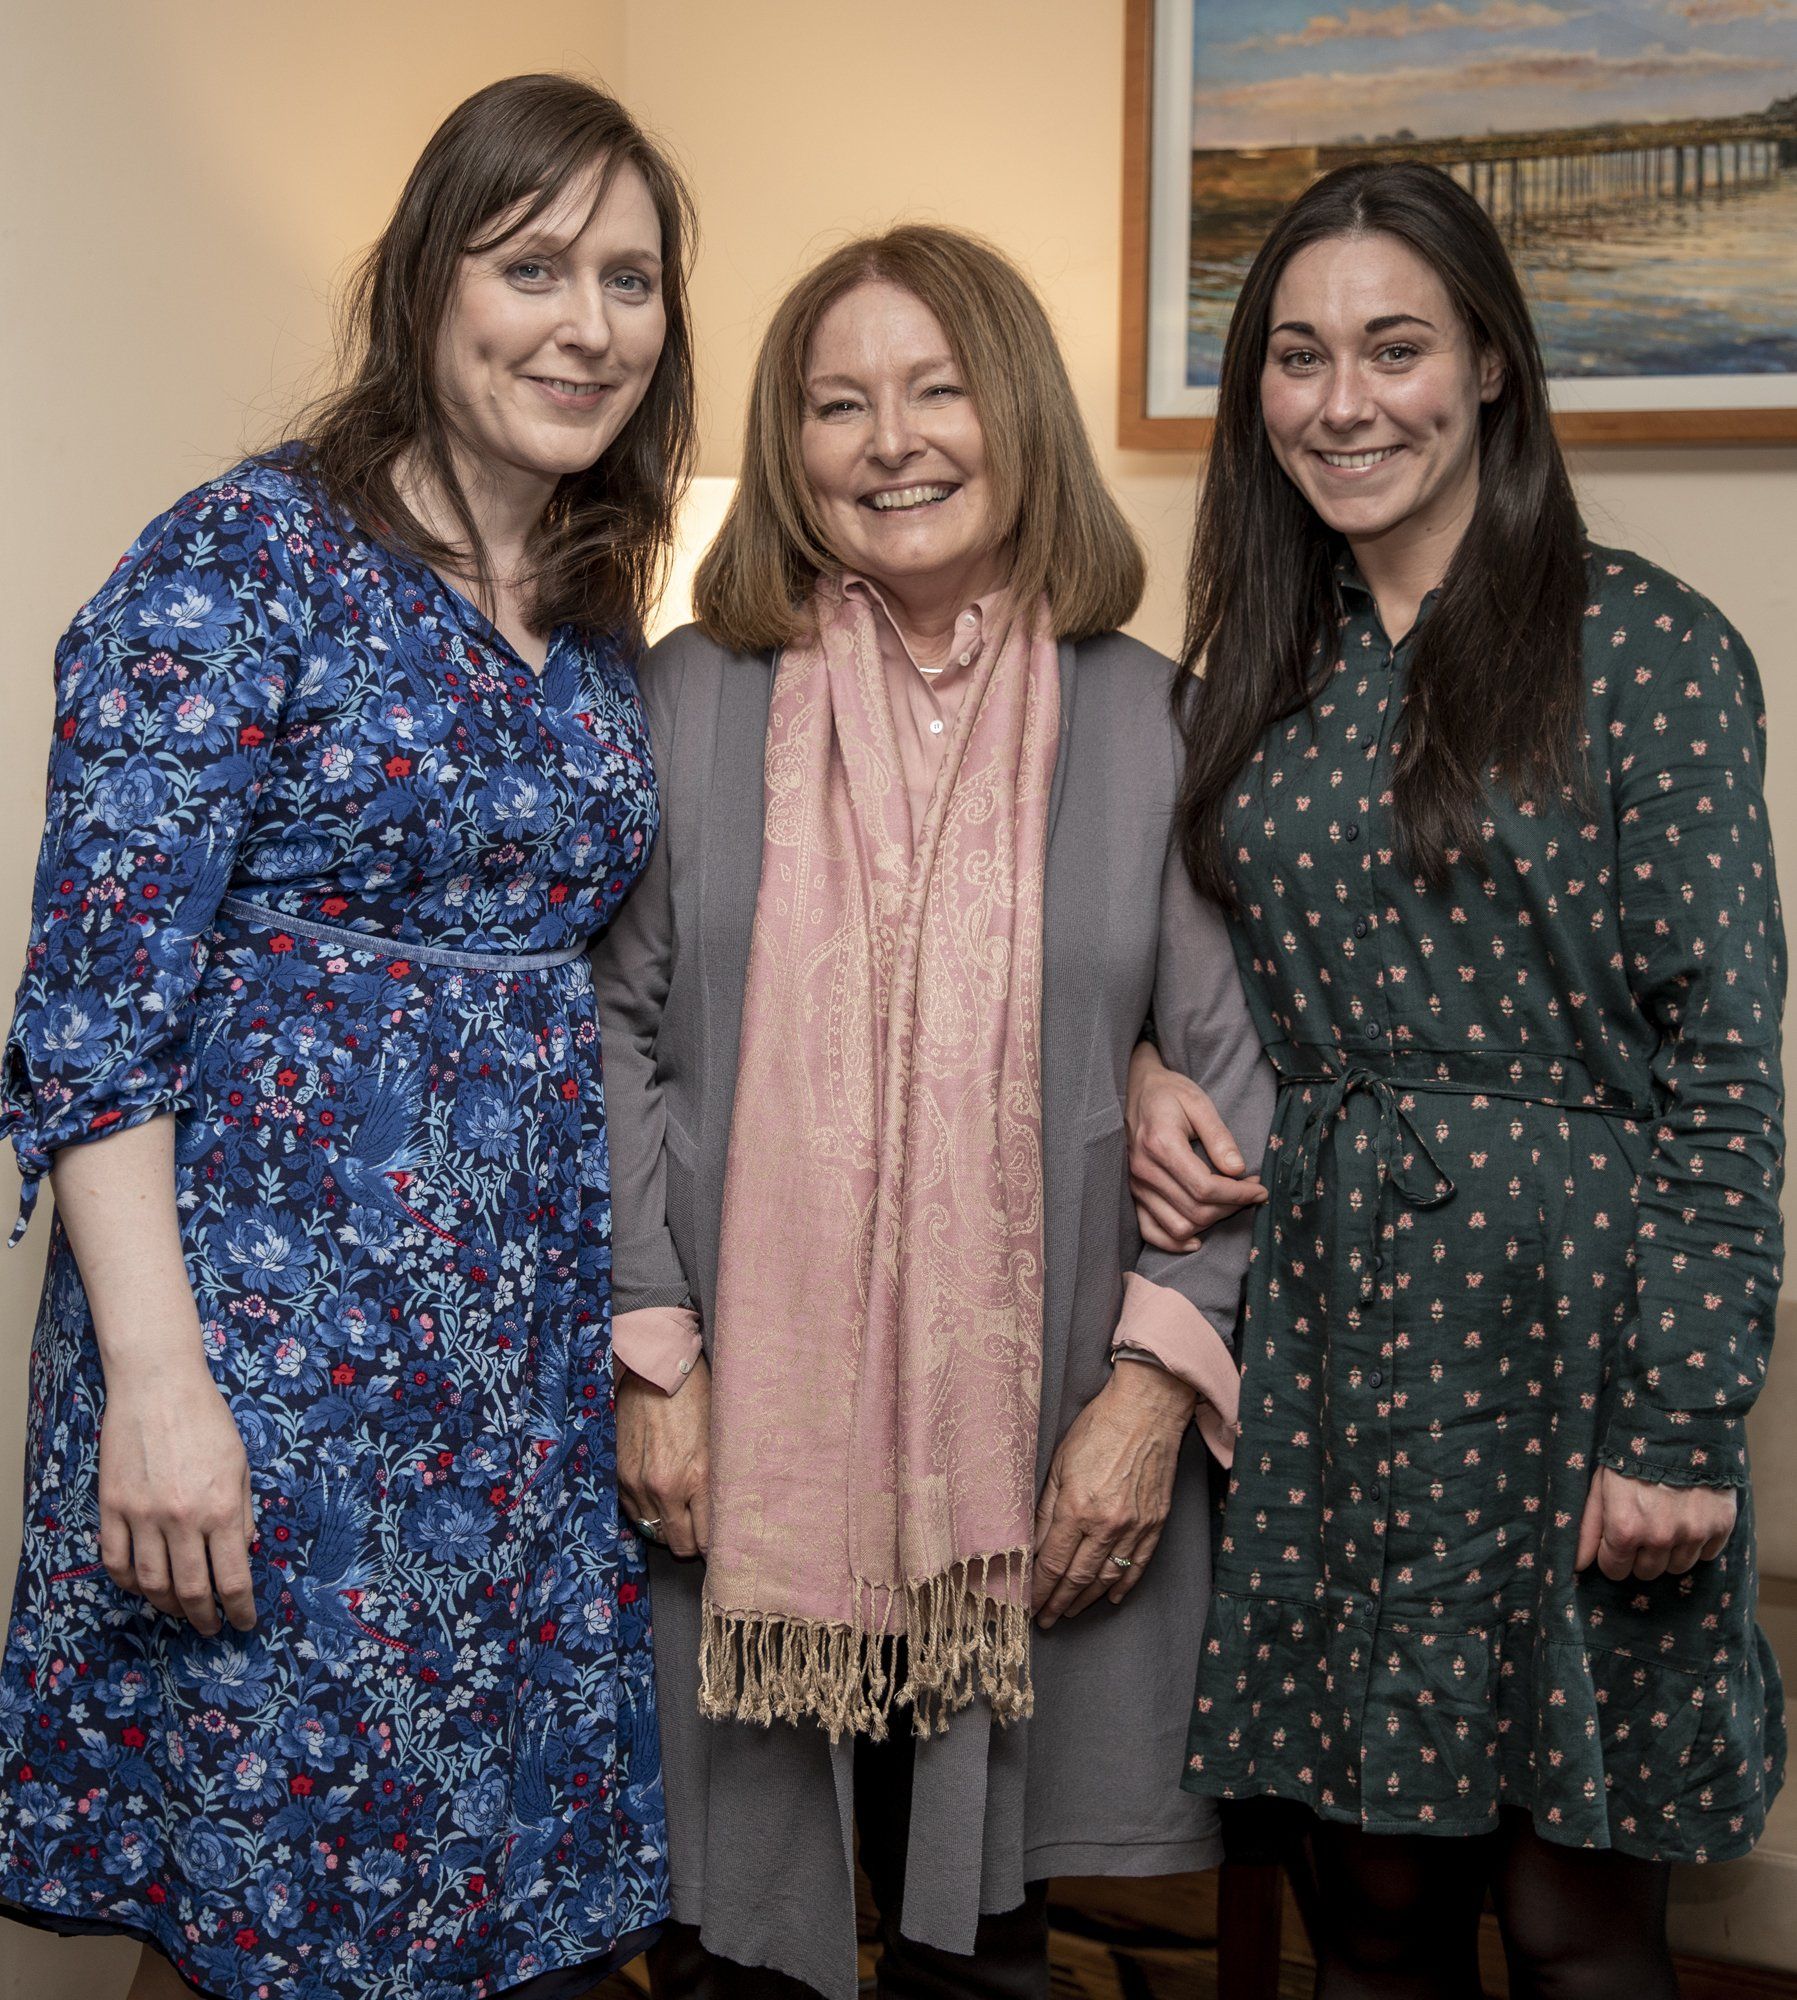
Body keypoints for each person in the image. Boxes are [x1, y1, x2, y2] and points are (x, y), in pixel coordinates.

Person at [0, 73, 694, 2000]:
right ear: (422, 283)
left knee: (439, 1910)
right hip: (265, 1370)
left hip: (505, 1382)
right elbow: (93, 1016)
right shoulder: (240, 561)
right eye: (532, 266)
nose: (587, 325)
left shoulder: (592, 605)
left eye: (630, 280)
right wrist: (159, 1390)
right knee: (260, 1902)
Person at [590, 224, 1275, 1999]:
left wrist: (1147, 1400)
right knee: (729, 1946)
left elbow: (1233, 1083)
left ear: (1017, 414)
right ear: (789, 444)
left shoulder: (1153, 719)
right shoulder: (687, 696)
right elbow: (608, 1030)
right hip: (742, 1435)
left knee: (984, 1953)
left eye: (936, 390)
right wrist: (651, 1357)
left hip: (1030, 1447)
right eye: (837, 404)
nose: (889, 440)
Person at [1127, 161, 1784, 1998]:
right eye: (1297, 356)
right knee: (1369, 1912)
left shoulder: (1643, 645)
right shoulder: (1258, 666)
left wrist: (1678, 1424)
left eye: (1393, 347)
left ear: (1490, 362)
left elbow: (1725, 1064)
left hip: (1575, 1335)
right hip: (1335, 1344)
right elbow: (1164, 949)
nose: (1342, 402)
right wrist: (1142, 1061)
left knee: (1577, 1929)